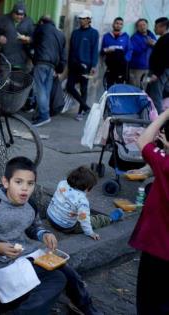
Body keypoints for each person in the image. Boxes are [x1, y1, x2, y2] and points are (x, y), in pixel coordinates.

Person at [0, 157, 102, 315]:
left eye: (30, 184)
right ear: (6, 182)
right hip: (2, 263)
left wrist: (43, 234)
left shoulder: (30, 205)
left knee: (65, 270)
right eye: (18, 182)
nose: (25, 189)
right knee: (57, 280)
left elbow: (33, 225)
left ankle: (85, 306)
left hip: (26, 254)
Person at [129, 108, 169, 315]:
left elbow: (144, 141)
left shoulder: (165, 164)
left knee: (150, 303)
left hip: (159, 249)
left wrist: (166, 113)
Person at [47, 166, 123, 240]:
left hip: (50, 217)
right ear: (87, 188)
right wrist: (90, 233)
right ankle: (109, 219)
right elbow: (84, 220)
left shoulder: (62, 183)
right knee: (93, 220)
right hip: (65, 227)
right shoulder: (82, 201)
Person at [31, 15, 66, 127]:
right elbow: (63, 54)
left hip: (41, 62)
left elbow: (33, 43)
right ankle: (43, 114)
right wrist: (59, 69)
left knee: (40, 90)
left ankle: (44, 116)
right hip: (52, 66)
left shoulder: (41, 28)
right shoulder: (60, 34)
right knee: (46, 91)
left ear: (41, 22)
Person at [66, 10, 99, 121]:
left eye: (83, 18)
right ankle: (86, 107)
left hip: (86, 65)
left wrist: (93, 65)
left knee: (84, 89)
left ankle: (81, 112)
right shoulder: (75, 33)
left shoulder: (94, 33)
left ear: (89, 20)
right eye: (80, 18)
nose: (81, 20)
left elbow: (95, 50)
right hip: (74, 64)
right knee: (69, 87)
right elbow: (71, 49)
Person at [0, 2, 34, 78]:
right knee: (3, 84)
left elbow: (34, 37)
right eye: (17, 14)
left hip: (21, 60)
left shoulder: (29, 22)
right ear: (12, 12)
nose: (19, 17)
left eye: (22, 15)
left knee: (17, 86)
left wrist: (28, 39)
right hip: (5, 59)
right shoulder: (3, 19)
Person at [101, 17, 132, 88]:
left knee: (119, 86)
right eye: (117, 23)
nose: (118, 25)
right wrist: (107, 50)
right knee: (109, 86)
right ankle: (109, 99)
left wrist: (125, 59)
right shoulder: (106, 36)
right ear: (113, 24)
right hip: (110, 66)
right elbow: (102, 51)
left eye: (121, 24)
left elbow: (130, 50)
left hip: (121, 66)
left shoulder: (126, 36)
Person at [147, 17, 169, 114]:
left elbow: (164, 58)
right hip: (161, 71)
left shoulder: (166, 39)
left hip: (160, 72)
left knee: (156, 97)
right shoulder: (163, 39)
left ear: (163, 27)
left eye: (156, 27)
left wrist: (156, 74)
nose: (154, 29)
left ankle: (158, 124)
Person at [129, 18, 157, 88]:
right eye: (140, 25)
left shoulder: (152, 35)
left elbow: (157, 49)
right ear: (137, 28)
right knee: (136, 88)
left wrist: (154, 45)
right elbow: (134, 51)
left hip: (149, 68)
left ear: (147, 25)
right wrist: (146, 44)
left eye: (144, 25)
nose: (142, 27)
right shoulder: (134, 38)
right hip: (137, 68)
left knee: (145, 88)